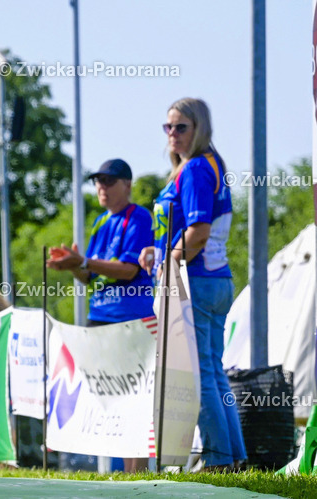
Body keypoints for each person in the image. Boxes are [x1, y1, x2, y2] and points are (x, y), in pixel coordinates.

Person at [137, 98, 247, 472]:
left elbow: (198, 232)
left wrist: (171, 258)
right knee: (213, 371)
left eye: (181, 127)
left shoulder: (198, 168)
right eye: (167, 127)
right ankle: (233, 456)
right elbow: (193, 232)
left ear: (199, 128)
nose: (172, 134)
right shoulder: (205, 165)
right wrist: (159, 250)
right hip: (214, 280)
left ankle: (219, 458)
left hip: (196, 282)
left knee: (198, 373)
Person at [48, 158, 154, 472]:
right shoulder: (100, 223)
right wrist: (73, 266)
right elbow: (88, 277)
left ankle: (138, 470)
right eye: (98, 181)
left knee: (134, 395)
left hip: (130, 317)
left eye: (109, 181)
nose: (101, 187)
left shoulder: (139, 217)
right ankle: (122, 470)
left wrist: (84, 262)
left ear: (127, 185)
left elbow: (129, 269)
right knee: (110, 396)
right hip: (100, 316)